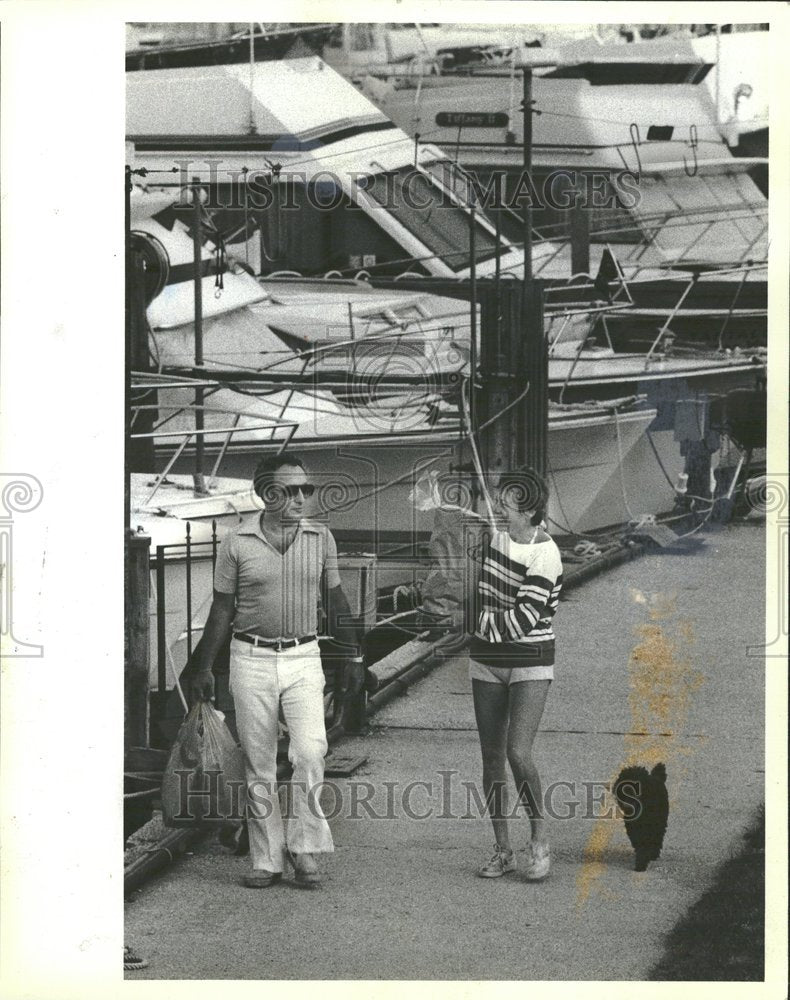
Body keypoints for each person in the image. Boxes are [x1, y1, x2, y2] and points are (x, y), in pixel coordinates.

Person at [191, 453, 363, 889]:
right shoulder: (236, 543)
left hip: (304, 657)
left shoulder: (321, 538)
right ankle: (267, 858)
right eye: (288, 490)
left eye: (305, 489)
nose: (300, 498)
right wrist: (203, 667)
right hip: (250, 659)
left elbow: (337, 601)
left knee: (310, 751)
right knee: (259, 761)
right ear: (264, 493)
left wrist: (354, 657)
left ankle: (303, 845)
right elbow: (221, 610)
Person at [468, 466, 563, 881]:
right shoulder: (494, 539)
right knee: (491, 759)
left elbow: (525, 618)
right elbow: (477, 594)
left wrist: (472, 625)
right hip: (485, 661)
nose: (498, 508)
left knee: (517, 753)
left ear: (527, 510)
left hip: (530, 659)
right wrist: (475, 618)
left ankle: (539, 838)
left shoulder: (547, 553)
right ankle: (502, 849)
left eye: (506, 503)